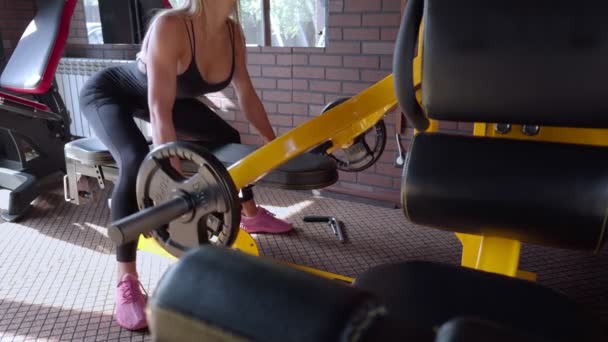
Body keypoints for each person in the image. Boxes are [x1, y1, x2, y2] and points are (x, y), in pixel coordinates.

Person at [79, 0, 293, 330]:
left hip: (167, 98)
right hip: (111, 94)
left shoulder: (233, 33)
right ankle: (127, 282)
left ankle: (251, 215)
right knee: (136, 159)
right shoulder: (171, 26)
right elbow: (159, 111)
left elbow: (246, 92)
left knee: (228, 137)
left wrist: (274, 143)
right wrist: (171, 184)